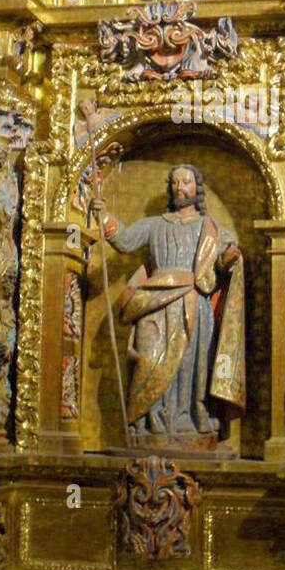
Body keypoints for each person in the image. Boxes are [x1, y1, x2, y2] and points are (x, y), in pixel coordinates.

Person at [91, 164, 245, 441]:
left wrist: (230, 258)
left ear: (197, 188)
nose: (180, 187)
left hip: (193, 302)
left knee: (190, 366)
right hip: (155, 302)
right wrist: (104, 216)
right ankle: (146, 422)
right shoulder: (154, 225)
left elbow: (223, 262)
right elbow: (125, 241)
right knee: (148, 361)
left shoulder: (210, 229)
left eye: (186, 182)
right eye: (175, 182)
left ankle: (189, 420)